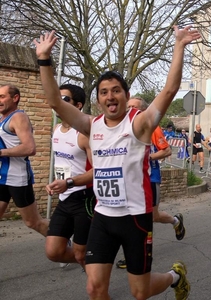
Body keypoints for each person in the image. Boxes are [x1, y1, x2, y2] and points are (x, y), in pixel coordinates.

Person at [35, 26, 200, 300]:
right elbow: (54, 100)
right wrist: (44, 60)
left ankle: (175, 277)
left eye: (116, 91)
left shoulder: (140, 124)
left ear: (125, 94)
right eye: (103, 92)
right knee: (95, 288)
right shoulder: (90, 125)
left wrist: (179, 46)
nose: (110, 97)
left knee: (140, 291)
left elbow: (170, 90)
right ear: (98, 99)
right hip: (103, 217)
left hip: (135, 218)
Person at [115, 96, 186, 269]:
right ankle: (132, 254)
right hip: (130, 179)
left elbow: (167, 150)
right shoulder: (123, 129)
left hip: (150, 178)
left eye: (135, 107)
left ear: (143, 111)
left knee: (151, 216)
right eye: (128, 107)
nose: (131, 110)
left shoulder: (151, 128)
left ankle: (175, 221)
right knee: (129, 217)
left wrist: (145, 158)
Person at [45, 84, 95, 269]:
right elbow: (64, 165)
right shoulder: (56, 129)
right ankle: (99, 258)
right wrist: (56, 183)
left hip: (84, 199)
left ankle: (97, 286)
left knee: (81, 253)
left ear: (78, 105)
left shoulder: (83, 135)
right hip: (65, 198)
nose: (58, 102)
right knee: (54, 251)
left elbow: (99, 171)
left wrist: (69, 182)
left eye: (64, 99)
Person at [0, 84, 49, 236]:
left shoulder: (18, 117)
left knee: (33, 222)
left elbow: (29, 148)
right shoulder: (3, 118)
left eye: (2, 97)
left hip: (18, 178)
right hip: (2, 178)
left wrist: (1, 152)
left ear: (15, 98)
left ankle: (61, 239)